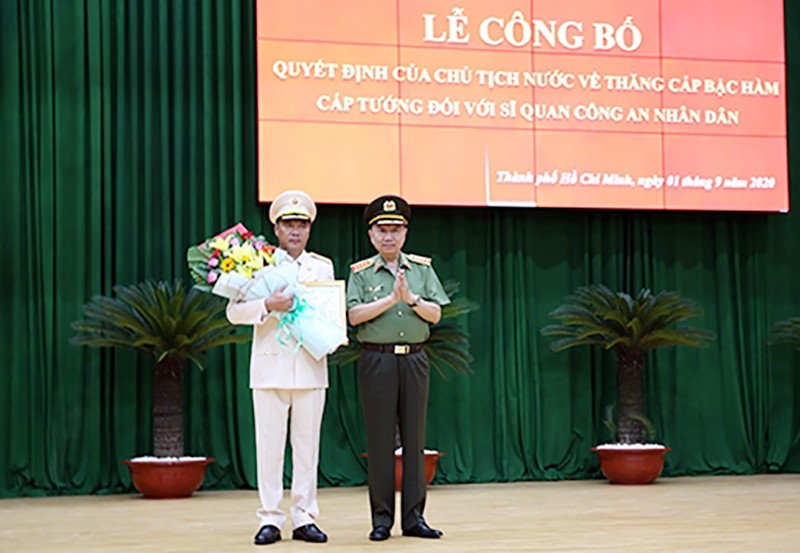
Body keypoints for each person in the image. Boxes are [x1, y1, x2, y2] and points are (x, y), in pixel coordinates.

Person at [226, 190, 333, 546]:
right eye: (289, 224)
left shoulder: (322, 266)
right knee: (269, 448)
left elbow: (328, 313)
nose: (296, 231)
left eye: (302, 224)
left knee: (308, 449)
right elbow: (233, 312)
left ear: (310, 228)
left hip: (310, 365)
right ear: (276, 228)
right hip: (269, 367)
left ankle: (304, 517)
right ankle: (270, 517)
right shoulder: (256, 262)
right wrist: (267, 304)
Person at [346, 194, 450, 541]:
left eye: (395, 229)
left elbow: (436, 314)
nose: (388, 236)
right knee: (379, 442)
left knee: (415, 440)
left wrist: (412, 299)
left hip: (416, 358)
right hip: (377, 359)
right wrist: (390, 300)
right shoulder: (360, 274)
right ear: (372, 236)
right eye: (382, 230)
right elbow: (353, 316)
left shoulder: (421, 270)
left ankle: (414, 518)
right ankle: (381, 519)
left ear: (405, 233)